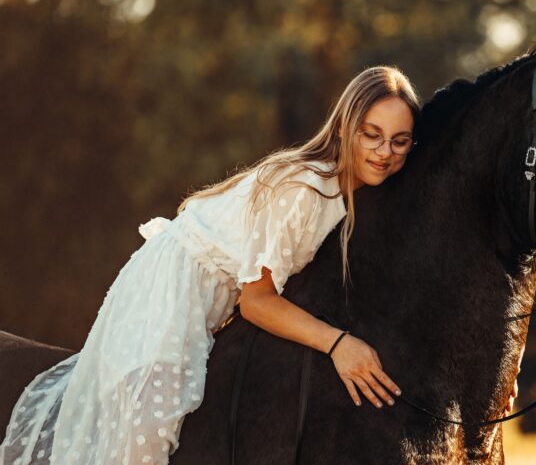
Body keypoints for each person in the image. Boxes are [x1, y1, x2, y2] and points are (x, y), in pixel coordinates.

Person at [0, 65, 420, 465]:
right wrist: (337, 343)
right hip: (173, 288)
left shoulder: (352, 194)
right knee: (146, 431)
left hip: (214, 305)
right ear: (347, 127)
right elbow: (257, 302)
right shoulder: (306, 190)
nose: (384, 152)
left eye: (399, 141)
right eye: (372, 135)